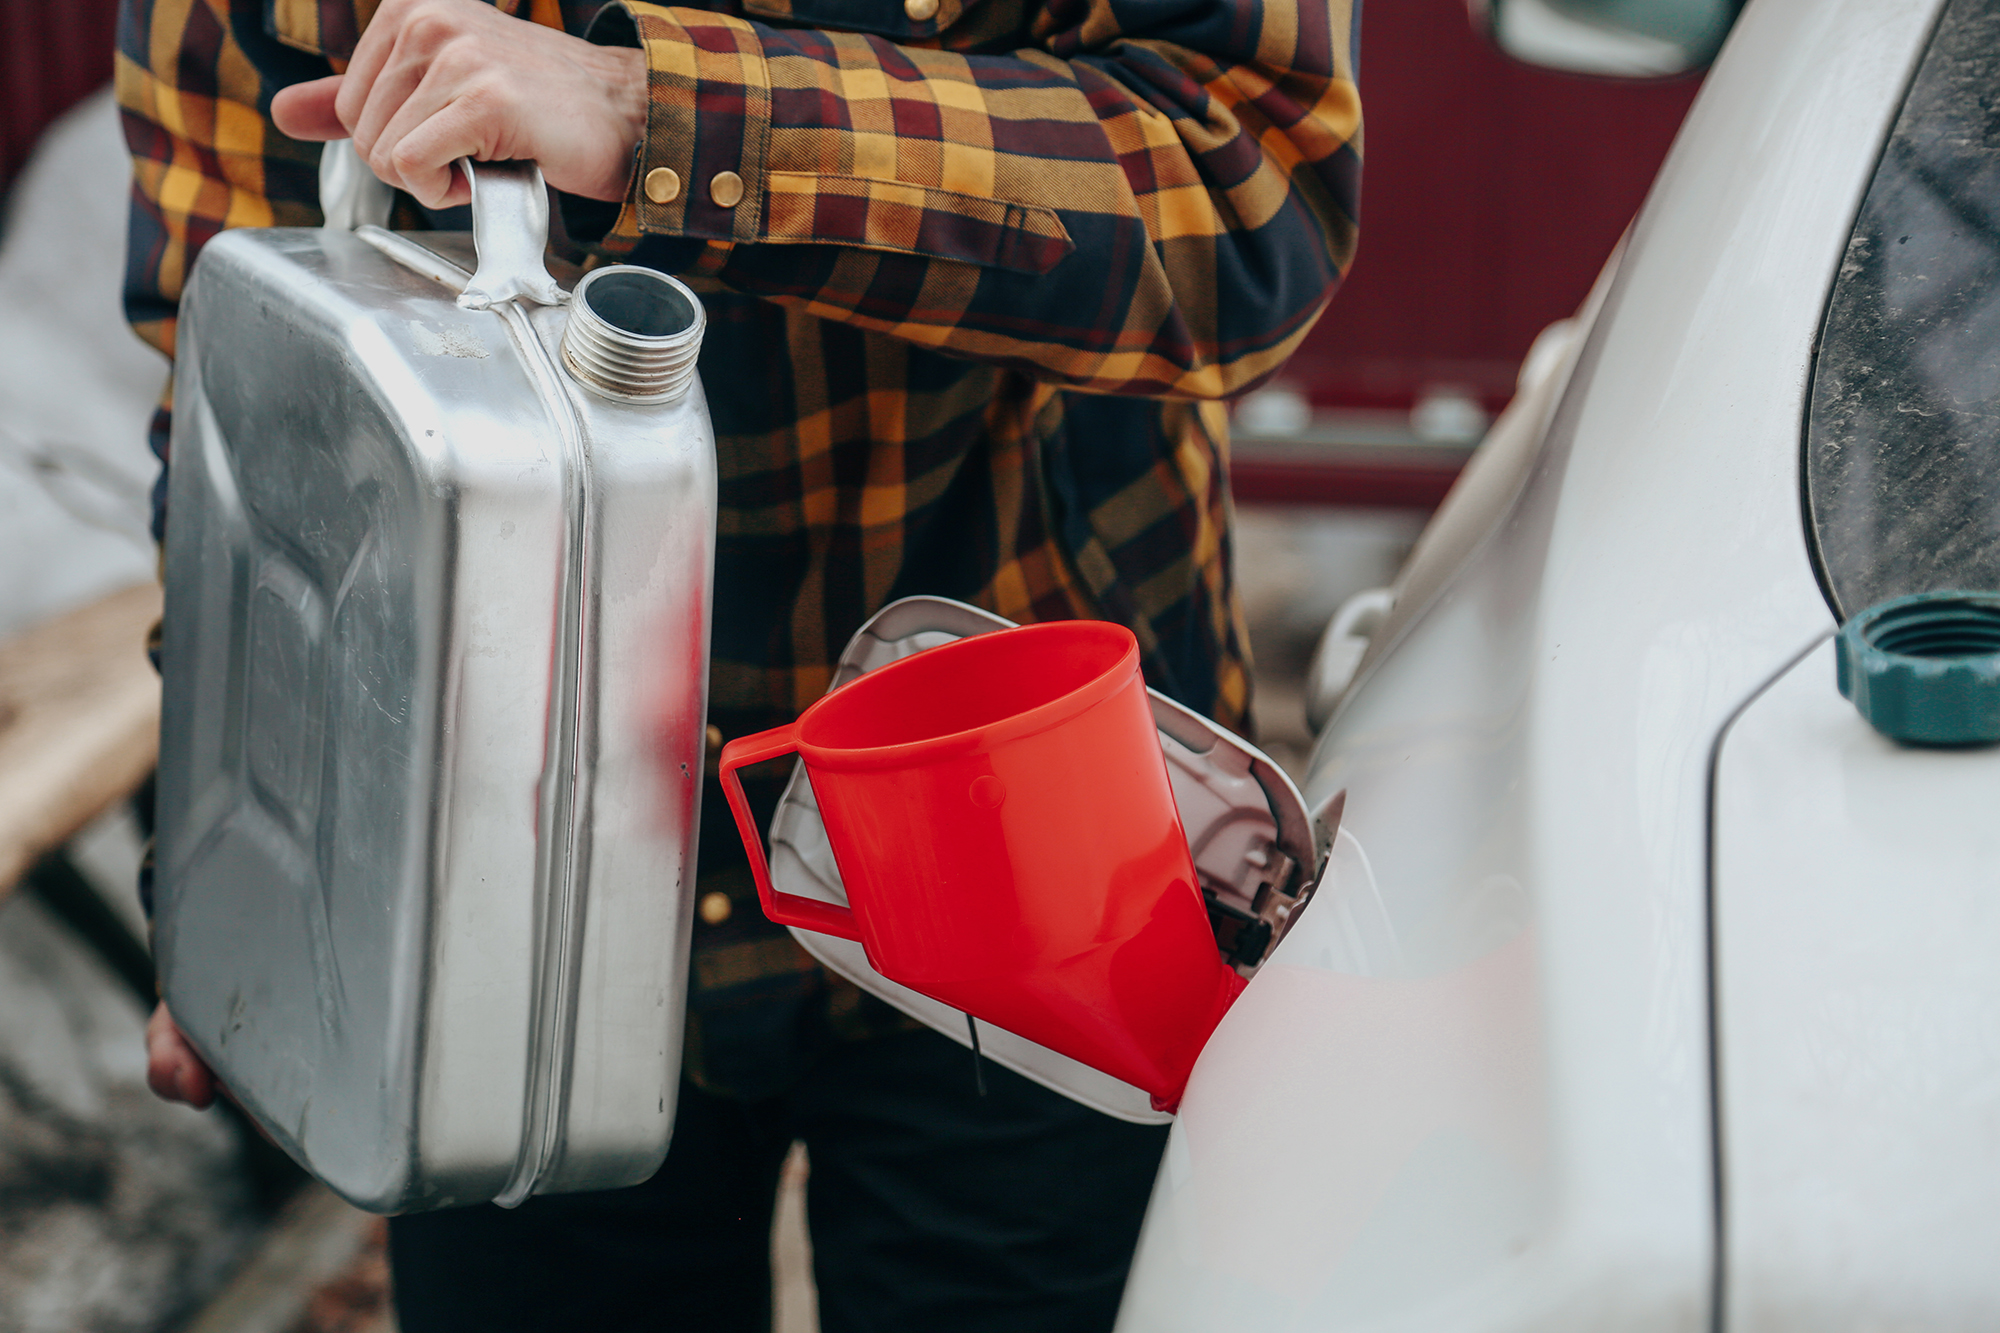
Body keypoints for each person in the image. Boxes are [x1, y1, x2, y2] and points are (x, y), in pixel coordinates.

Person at [121, 0, 1359, 1326]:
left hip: (1029, 829)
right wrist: (236, 868)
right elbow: (245, 386)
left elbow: (1253, 199)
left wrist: (660, 120)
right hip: (501, 890)